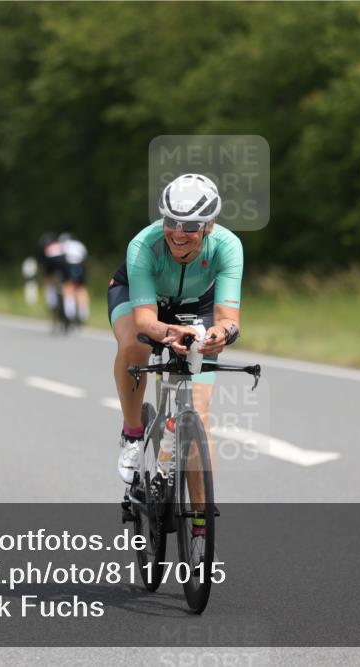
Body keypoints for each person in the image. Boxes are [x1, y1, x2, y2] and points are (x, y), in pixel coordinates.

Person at [109, 174, 243, 545]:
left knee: (199, 413)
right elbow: (145, 321)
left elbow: (229, 320)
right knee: (135, 344)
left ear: (209, 225)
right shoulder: (144, 245)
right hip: (141, 300)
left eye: (190, 225)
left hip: (197, 306)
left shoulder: (228, 246)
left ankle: (200, 518)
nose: (178, 233)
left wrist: (218, 336)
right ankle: (134, 433)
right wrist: (170, 334)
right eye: (171, 221)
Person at [58, 232, 89, 324]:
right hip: (80, 265)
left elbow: (59, 260)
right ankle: (83, 313)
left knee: (68, 287)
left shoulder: (62, 245)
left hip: (68, 265)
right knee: (80, 288)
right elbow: (84, 257)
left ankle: (69, 314)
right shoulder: (79, 244)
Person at [38, 232, 67, 315]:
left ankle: (51, 303)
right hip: (64, 263)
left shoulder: (45, 246)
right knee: (65, 282)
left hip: (51, 262)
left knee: (48, 281)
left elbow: (44, 262)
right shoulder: (60, 245)